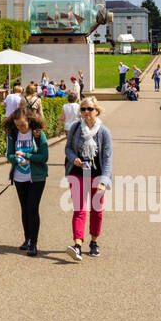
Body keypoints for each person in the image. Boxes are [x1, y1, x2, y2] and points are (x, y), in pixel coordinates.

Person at [65, 96, 113, 261]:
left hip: (97, 175)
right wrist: (74, 159)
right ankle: (77, 245)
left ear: (96, 111)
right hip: (78, 174)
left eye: (89, 109)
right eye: (83, 109)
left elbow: (107, 159)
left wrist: (104, 182)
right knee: (79, 210)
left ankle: (94, 242)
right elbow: (68, 148)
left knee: (96, 210)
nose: (86, 112)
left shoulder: (104, 132)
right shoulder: (75, 128)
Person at [4, 105, 49, 256]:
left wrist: (27, 156)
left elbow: (44, 157)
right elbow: (9, 155)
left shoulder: (37, 134)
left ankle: (34, 243)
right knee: (24, 208)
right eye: (18, 125)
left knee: (32, 208)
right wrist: (15, 159)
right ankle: (27, 238)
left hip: (36, 177)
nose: (21, 128)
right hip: (19, 176)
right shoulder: (13, 134)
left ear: (29, 121)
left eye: (23, 124)